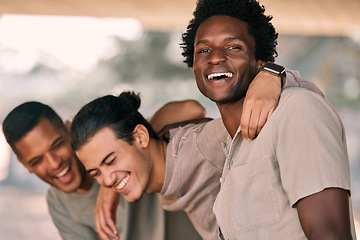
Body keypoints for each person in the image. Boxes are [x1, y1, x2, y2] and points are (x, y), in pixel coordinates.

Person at [71, 66, 323, 240]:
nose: (105, 180)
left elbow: (295, 105)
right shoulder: (170, 171)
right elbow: (189, 110)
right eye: (95, 173)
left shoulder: (198, 147)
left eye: (110, 160)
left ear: (140, 137)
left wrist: (274, 74)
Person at [180, 0, 356, 239]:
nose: (215, 58)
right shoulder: (231, 146)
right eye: (203, 50)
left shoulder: (297, 110)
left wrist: (277, 72)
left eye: (233, 47)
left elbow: (330, 234)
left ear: (261, 61)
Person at [2, 100, 206, 240]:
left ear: (68, 129)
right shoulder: (58, 204)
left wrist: (132, 146)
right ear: (24, 164)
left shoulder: (114, 139)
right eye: (37, 160)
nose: (54, 163)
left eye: (57, 145)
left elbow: (192, 109)